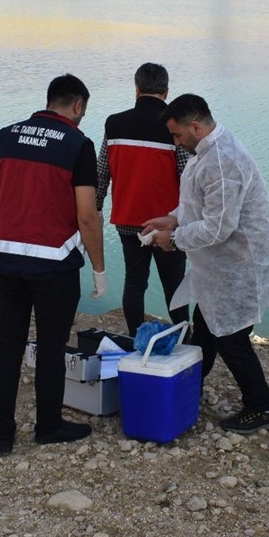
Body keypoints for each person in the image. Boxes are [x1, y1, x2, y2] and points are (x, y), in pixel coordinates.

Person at [142, 94, 269, 435]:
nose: (175, 143)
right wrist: (173, 220)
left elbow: (219, 227)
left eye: (177, 136)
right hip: (219, 270)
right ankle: (188, 387)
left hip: (239, 268)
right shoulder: (203, 152)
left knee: (232, 340)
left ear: (195, 126)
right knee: (205, 329)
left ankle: (262, 407)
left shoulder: (222, 162)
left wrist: (173, 241)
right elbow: (198, 206)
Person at [0, 74, 107, 455]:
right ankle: (47, 426)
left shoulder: (6, 135)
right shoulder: (78, 144)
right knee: (52, 348)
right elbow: (87, 215)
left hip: (5, 261)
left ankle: (3, 435)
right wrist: (99, 271)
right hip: (54, 265)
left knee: (8, 347)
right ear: (78, 107)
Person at [95, 62, 190, 337]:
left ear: (136, 88)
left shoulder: (114, 123)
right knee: (175, 285)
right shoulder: (174, 128)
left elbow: (102, 171)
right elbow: (187, 174)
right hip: (167, 223)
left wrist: (96, 206)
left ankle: (137, 336)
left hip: (128, 219)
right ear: (166, 90)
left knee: (135, 282)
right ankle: (184, 337)